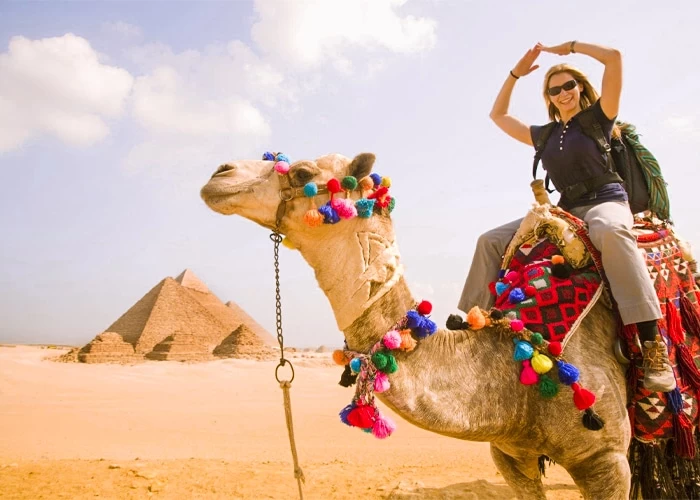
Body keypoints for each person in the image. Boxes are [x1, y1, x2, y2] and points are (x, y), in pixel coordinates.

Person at [458, 41, 675, 392]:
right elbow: (497, 115)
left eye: (568, 86)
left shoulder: (599, 118)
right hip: (565, 210)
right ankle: (469, 325)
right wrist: (516, 73)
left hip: (606, 200)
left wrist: (569, 48)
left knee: (609, 230)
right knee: (491, 240)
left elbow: (615, 58)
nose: (563, 93)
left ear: (580, 88)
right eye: (554, 89)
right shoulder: (544, 135)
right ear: (548, 96)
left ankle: (652, 344)